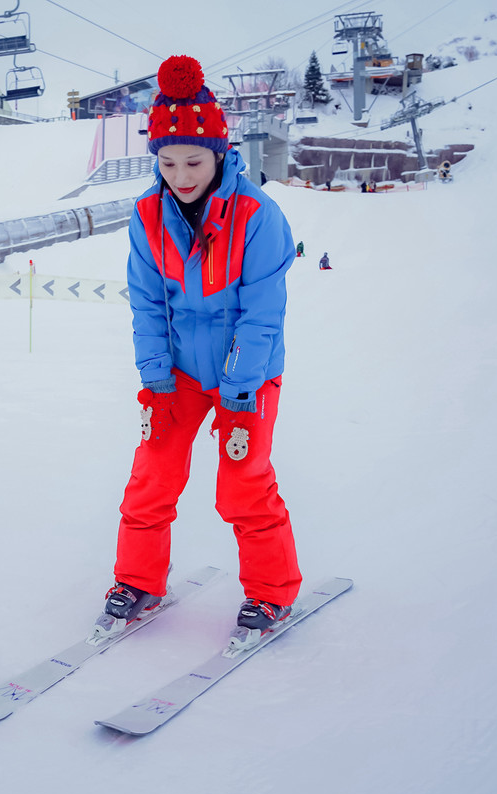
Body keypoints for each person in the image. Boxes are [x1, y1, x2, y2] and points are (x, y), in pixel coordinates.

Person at [101, 54, 303, 638]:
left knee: (243, 486)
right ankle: (138, 580)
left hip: (250, 373)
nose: (181, 175)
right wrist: (156, 377)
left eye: (193, 160)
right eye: (167, 162)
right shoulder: (147, 216)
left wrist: (240, 390)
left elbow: (262, 313)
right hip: (182, 375)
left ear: (219, 155)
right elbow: (147, 303)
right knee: (151, 478)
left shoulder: (257, 217)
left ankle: (271, 593)